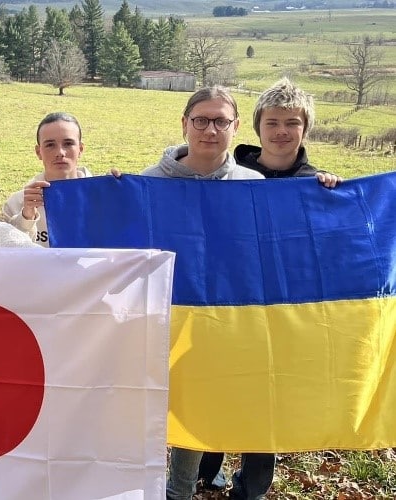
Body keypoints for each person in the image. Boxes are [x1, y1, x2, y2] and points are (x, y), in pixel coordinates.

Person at [195, 78, 340, 500]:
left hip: (283, 308)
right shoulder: (234, 175)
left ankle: (253, 486)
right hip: (227, 299)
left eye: (291, 123)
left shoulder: (317, 184)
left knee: (268, 396)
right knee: (221, 385)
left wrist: (336, 197)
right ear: (255, 128)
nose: (281, 131)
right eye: (272, 122)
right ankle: (208, 467)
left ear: (305, 129)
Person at [142, 86, 264, 500]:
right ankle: (157, 484)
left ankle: (183, 488)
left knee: (202, 399)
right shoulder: (149, 182)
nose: (210, 130)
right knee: (159, 401)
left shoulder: (254, 185)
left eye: (220, 121)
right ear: (184, 124)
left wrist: (322, 191)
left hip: (224, 313)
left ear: (235, 127)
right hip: (165, 309)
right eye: (201, 120)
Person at [3, 112, 92, 247]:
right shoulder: (16, 204)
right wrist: (26, 217)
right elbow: (6, 254)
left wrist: (124, 196)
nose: (60, 153)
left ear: (80, 149)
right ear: (39, 152)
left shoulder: (103, 196)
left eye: (68, 143)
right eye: (50, 145)